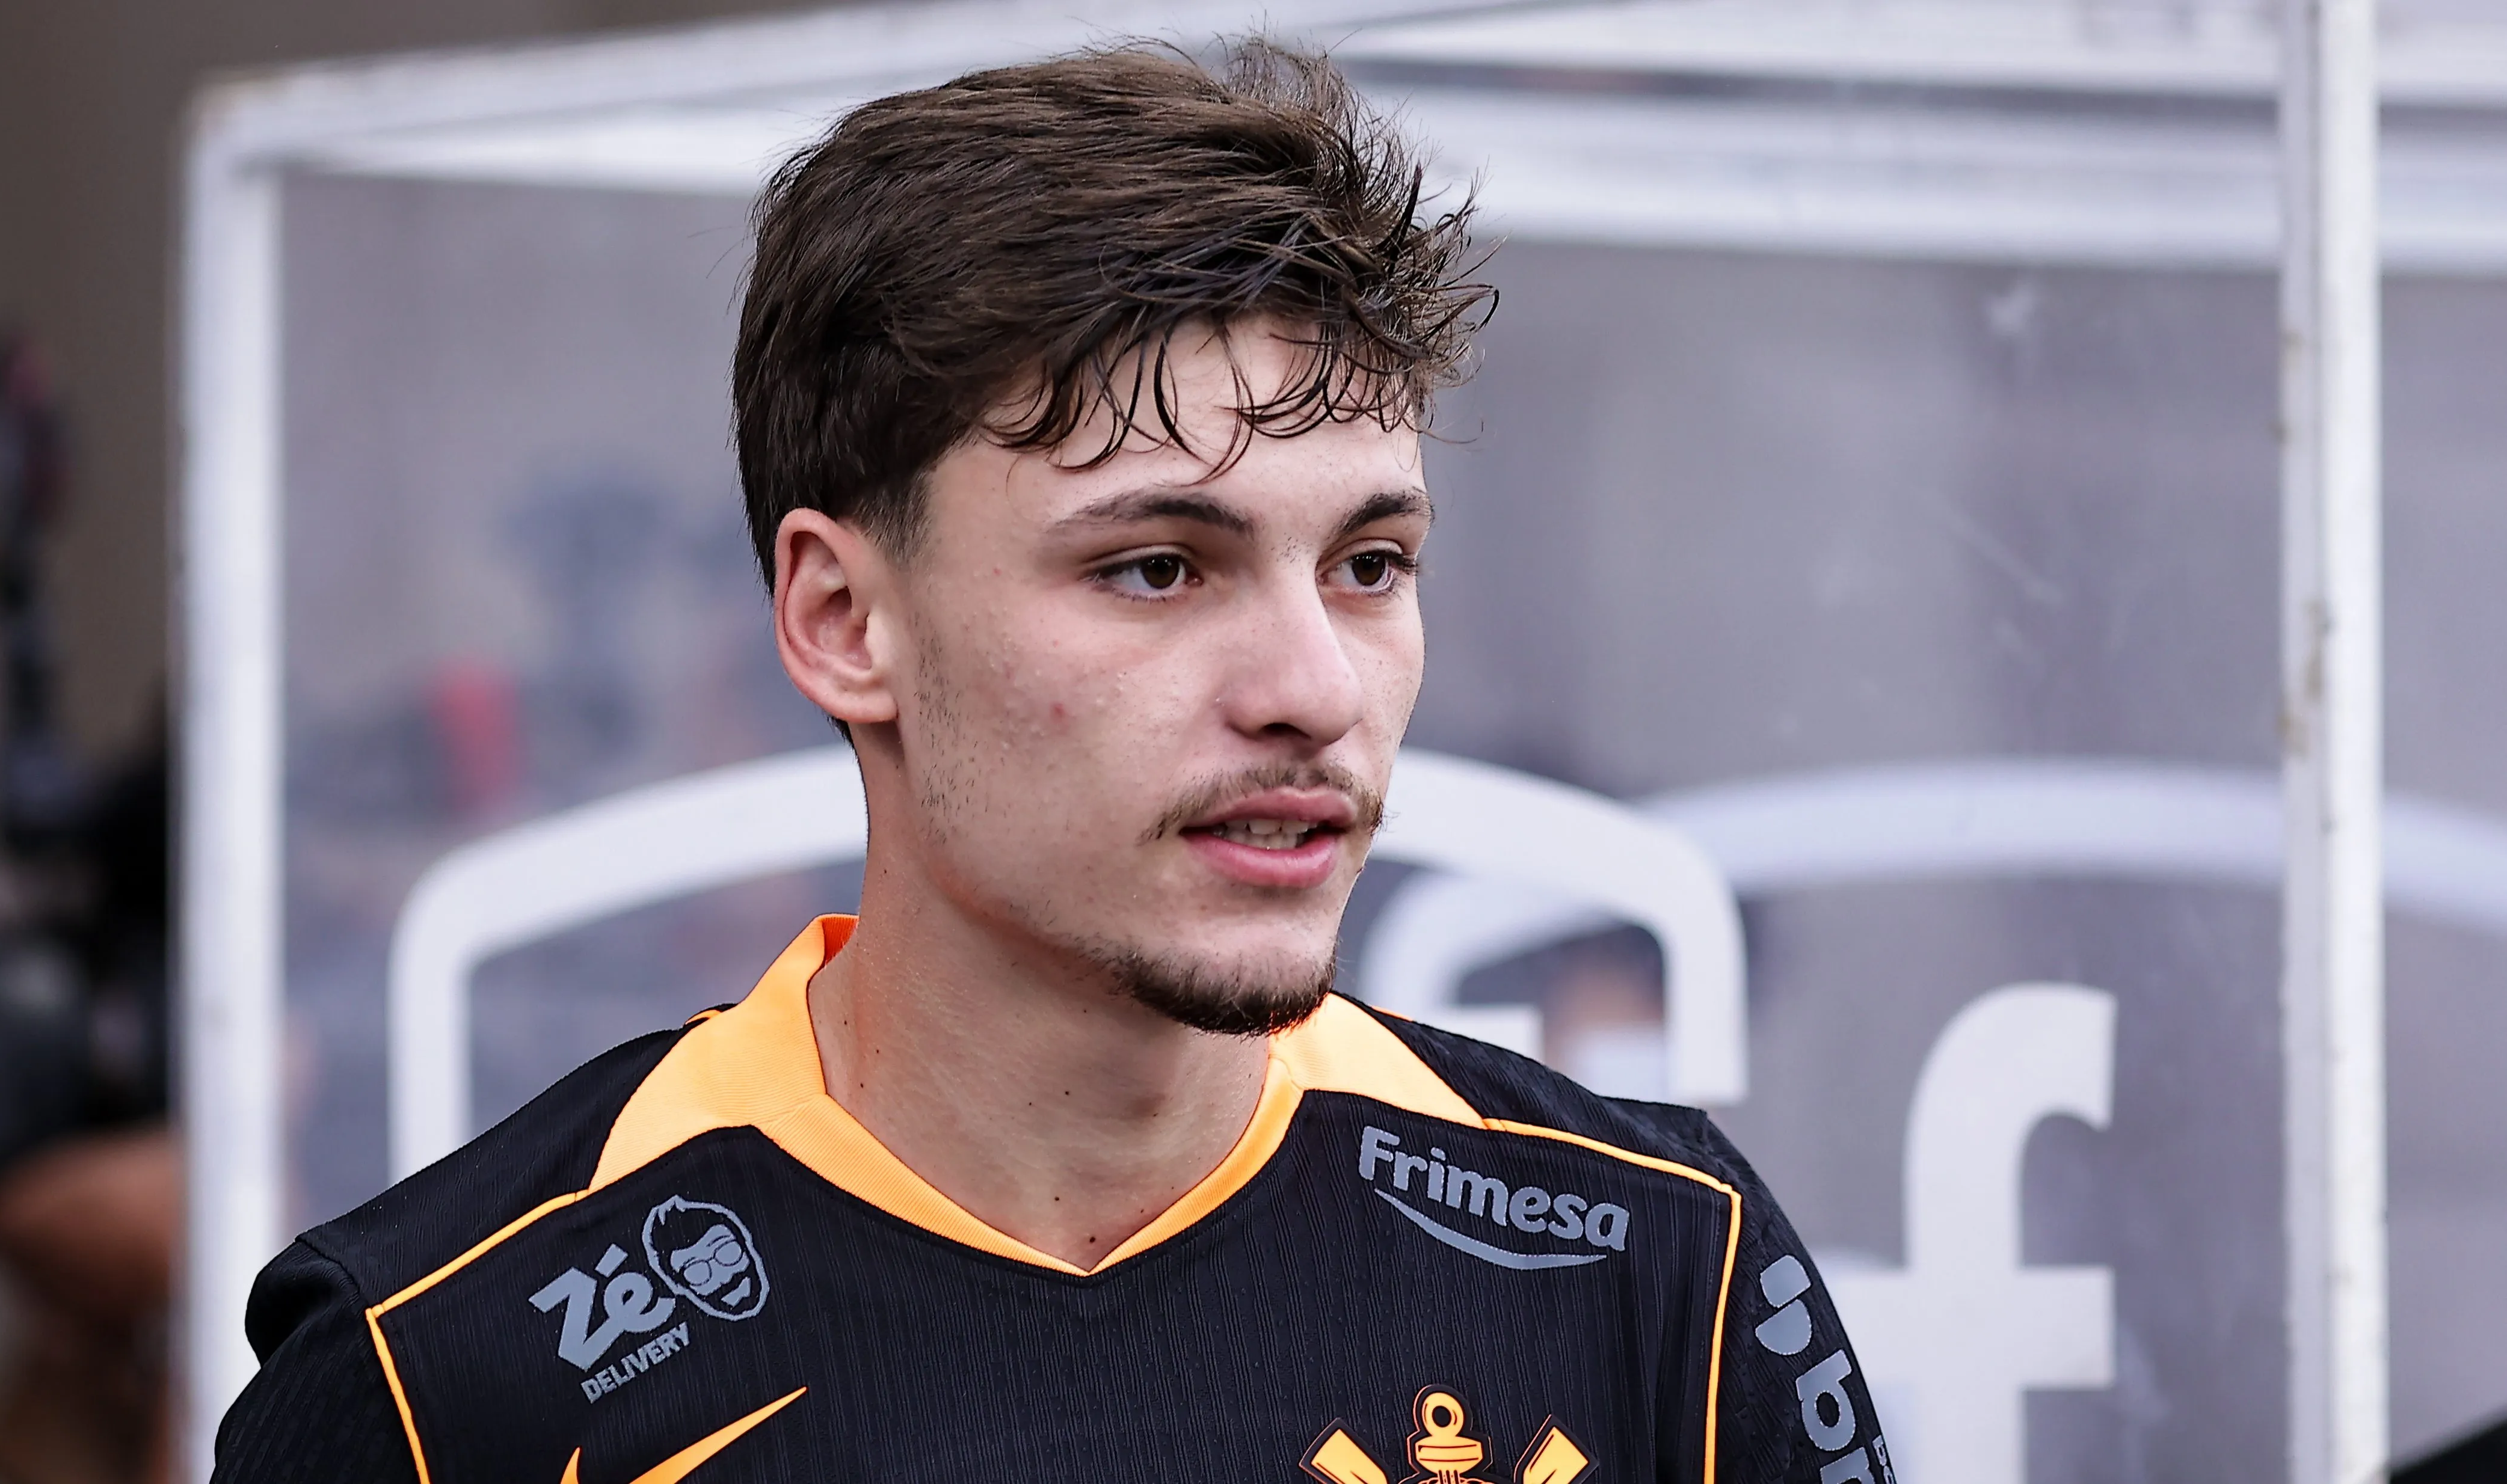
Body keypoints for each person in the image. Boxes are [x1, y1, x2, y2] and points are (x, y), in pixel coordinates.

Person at [215, 39, 1886, 1484]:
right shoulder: (443, 1374)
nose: (1312, 689)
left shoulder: (1656, 1266)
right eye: (1156, 568)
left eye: (1369, 565)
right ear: (841, 619)